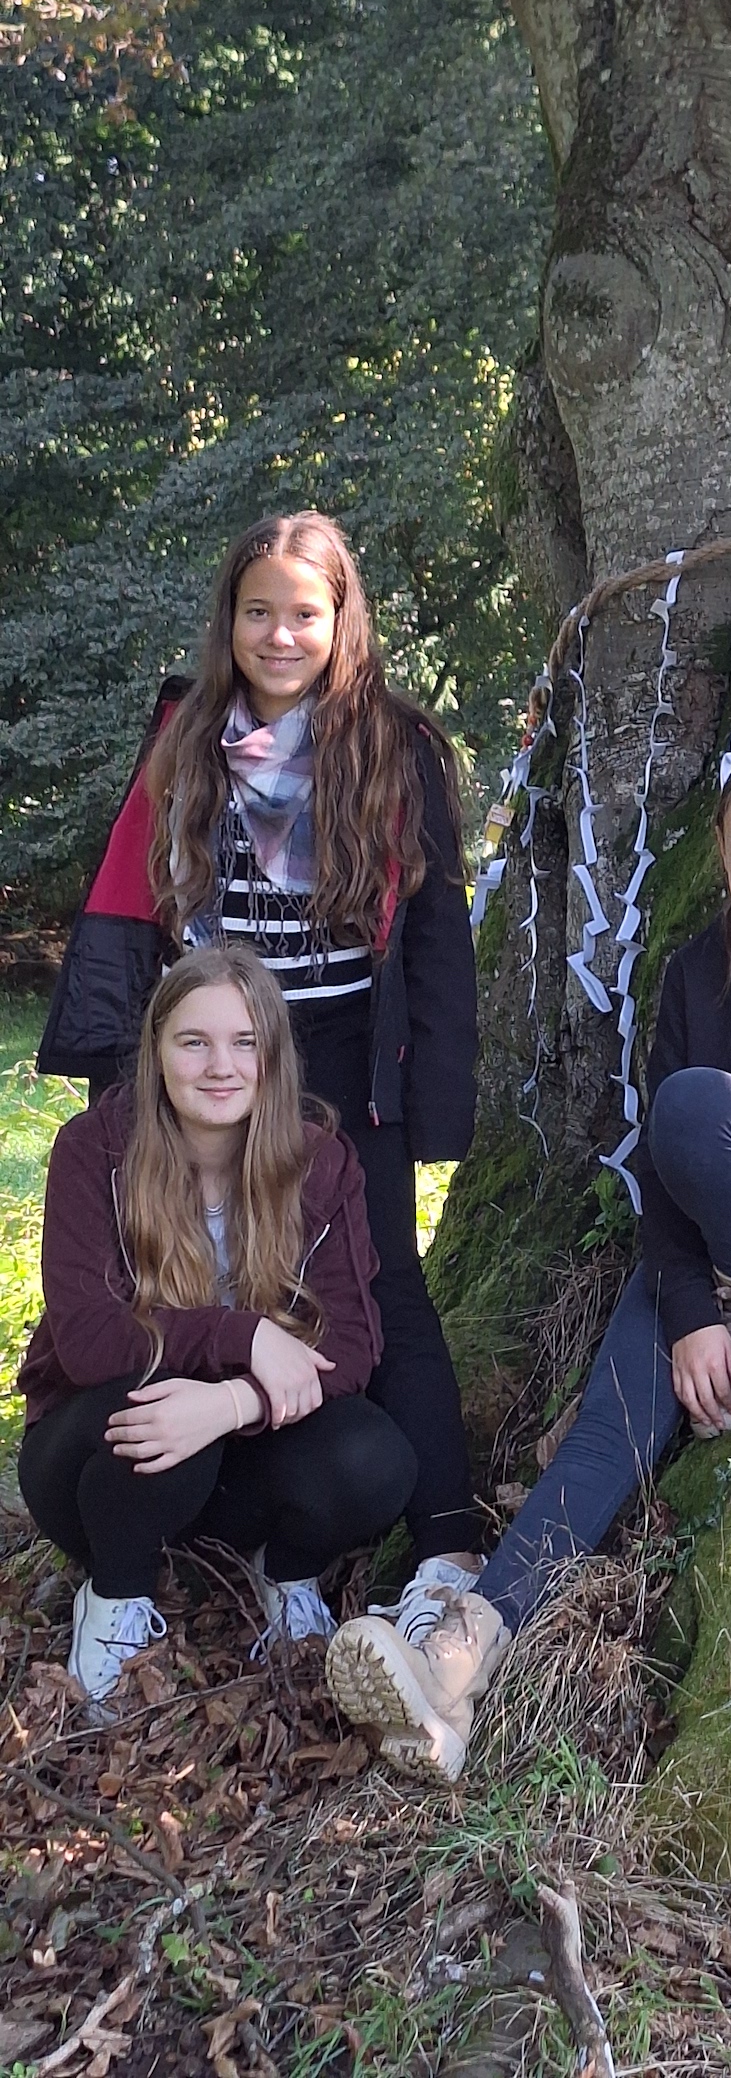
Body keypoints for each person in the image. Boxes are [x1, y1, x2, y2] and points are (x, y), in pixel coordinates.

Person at [324, 742, 731, 1783]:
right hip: (709, 1261)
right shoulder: (694, 971)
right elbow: (659, 1162)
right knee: (608, 1432)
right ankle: (456, 1673)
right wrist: (690, 1311)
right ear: (723, 860)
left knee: (700, 1099)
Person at [38, 512, 482, 1644]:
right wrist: (111, 1073)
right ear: (228, 621)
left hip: (340, 1044)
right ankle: (170, 1511)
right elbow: (131, 897)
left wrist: (438, 1100)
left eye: (304, 613)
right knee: (188, 1276)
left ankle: (440, 1545)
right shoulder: (185, 735)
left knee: (383, 1291)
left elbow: (433, 930)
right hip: (212, 1047)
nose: (279, 635)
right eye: (257, 612)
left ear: (341, 622)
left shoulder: (392, 744)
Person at [17, 948, 416, 1708]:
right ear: (156, 1052)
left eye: (244, 1043)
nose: (219, 1066)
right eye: (193, 1042)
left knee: (377, 1460)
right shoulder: (95, 1150)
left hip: (239, 1452)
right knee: (160, 1406)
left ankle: (284, 1568)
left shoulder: (321, 1164)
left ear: (273, 1056)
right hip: (94, 1462)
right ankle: (113, 1601)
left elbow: (354, 1350)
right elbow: (92, 1342)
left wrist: (233, 1403)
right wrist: (246, 1339)